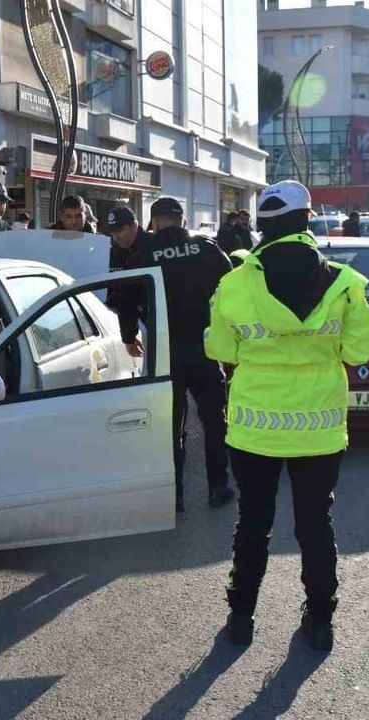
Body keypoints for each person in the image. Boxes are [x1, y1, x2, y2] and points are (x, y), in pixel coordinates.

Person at [205, 180, 369, 651]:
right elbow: (365, 347)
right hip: (319, 430)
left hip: (253, 429)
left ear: (260, 226)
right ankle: (321, 623)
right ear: (308, 220)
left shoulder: (235, 283)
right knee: (314, 525)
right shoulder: (344, 284)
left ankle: (241, 617)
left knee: (253, 522)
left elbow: (221, 348)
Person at [107, 200, 236, 513]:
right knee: (214, 422)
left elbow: (123, 300)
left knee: (170, 426)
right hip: (207, 348)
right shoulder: (207, 249)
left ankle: (174, 494)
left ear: (153, 224)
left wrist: (128, 337)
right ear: (184, 220)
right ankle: (217, 487)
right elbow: (234, 292)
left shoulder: (143, 257)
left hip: (166, 351)